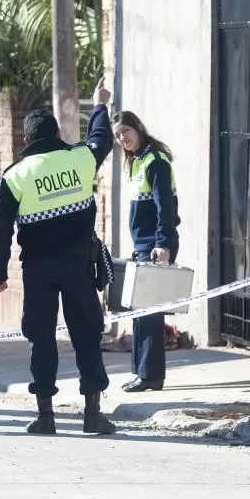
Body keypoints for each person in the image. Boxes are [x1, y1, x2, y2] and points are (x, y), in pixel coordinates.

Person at [0, 77, 117, 436]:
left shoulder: (16, 174)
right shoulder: (79, 158)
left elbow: (1, 228)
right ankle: (93, 414)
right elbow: (101, 139)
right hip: (78, 264)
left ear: (25, 142)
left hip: (38, 268)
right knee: (87, 334)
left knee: (41, 337)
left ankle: (45, 416)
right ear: (58, 133)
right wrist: (100, 105)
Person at [111, 110, 180, 393]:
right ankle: (141, 371)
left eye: (125, 131)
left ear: (137, 127)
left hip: (155, 245)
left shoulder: (155, 161)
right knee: (140, 311)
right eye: (117, 135)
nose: (122, 138)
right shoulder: (137, 161)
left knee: (149, 312)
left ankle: (151, 375)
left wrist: (162, 244)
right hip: (143, 245)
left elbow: (166, 208)